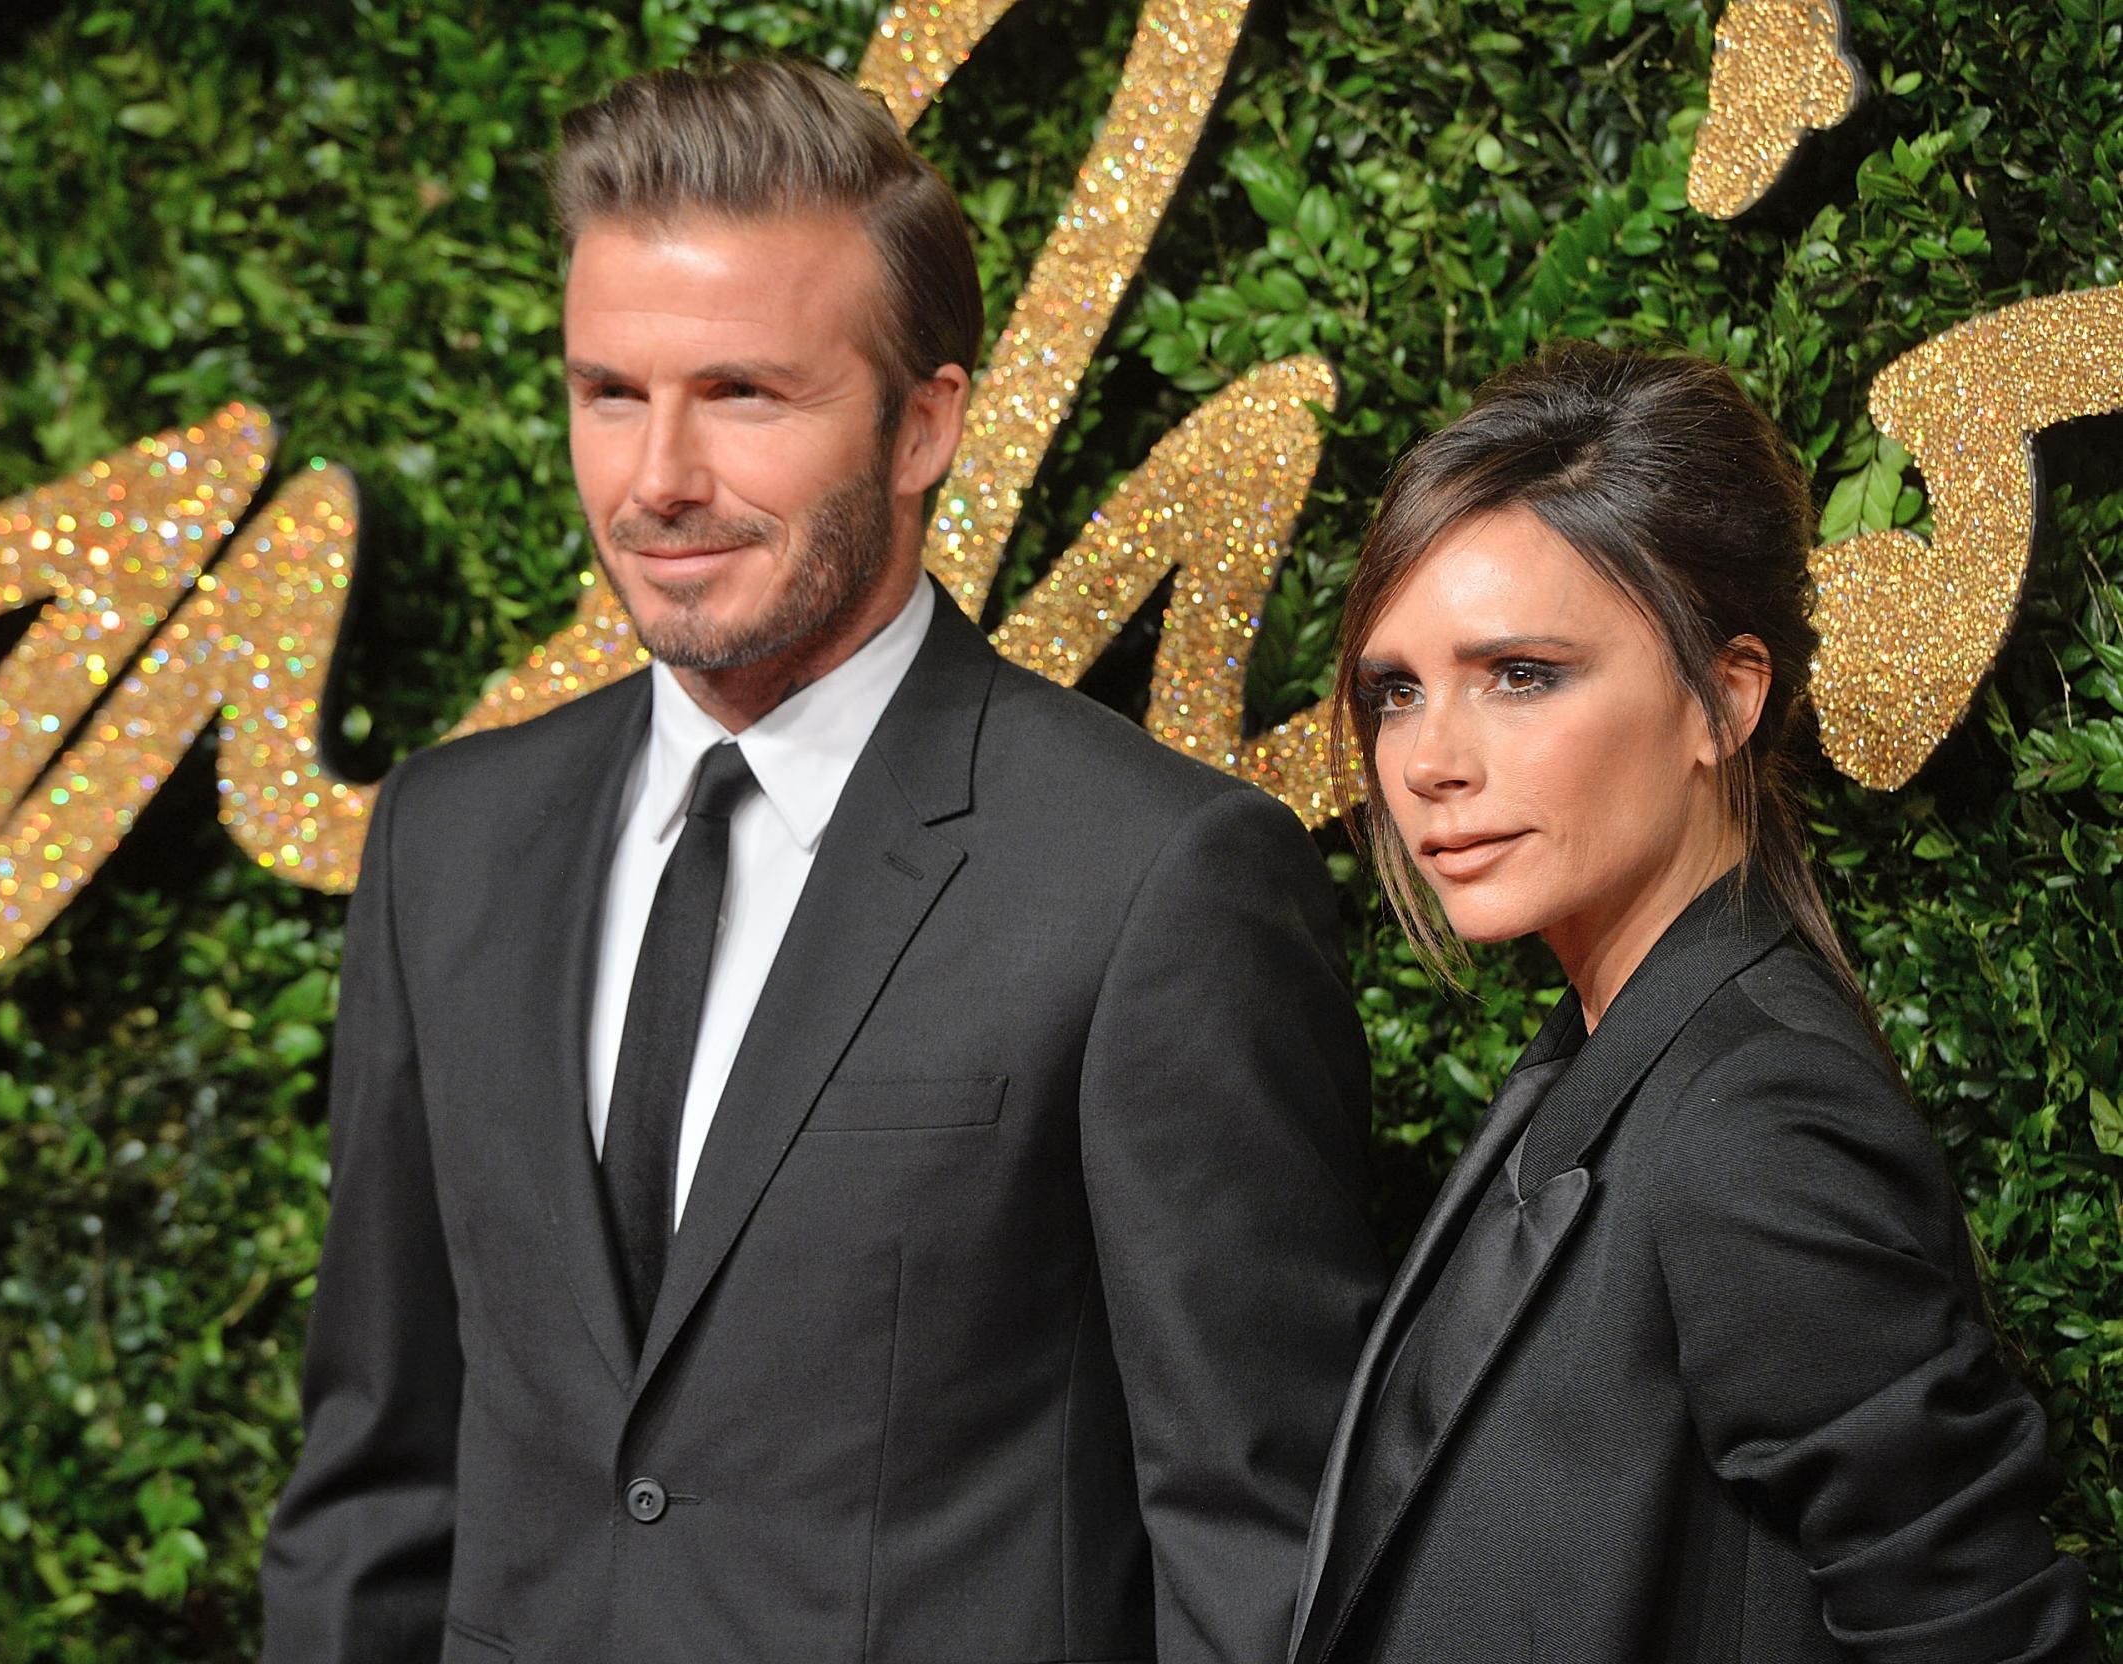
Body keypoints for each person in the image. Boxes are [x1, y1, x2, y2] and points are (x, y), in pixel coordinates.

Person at [261, 58, 1382, 1664]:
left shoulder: (1154, 880)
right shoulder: (448, 842)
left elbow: (1259, 1546)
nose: (658, 481)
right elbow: (374, 1482)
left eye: (742, 394)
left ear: (925, 423)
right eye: (608, 393)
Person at [1287, 342, 2092, 1663]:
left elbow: (1980, 1634)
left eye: (1521, 674)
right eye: (1397, 691)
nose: (1428, 760)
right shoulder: (1613, 1064)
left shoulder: (1758, 1125)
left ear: (1724, 696)